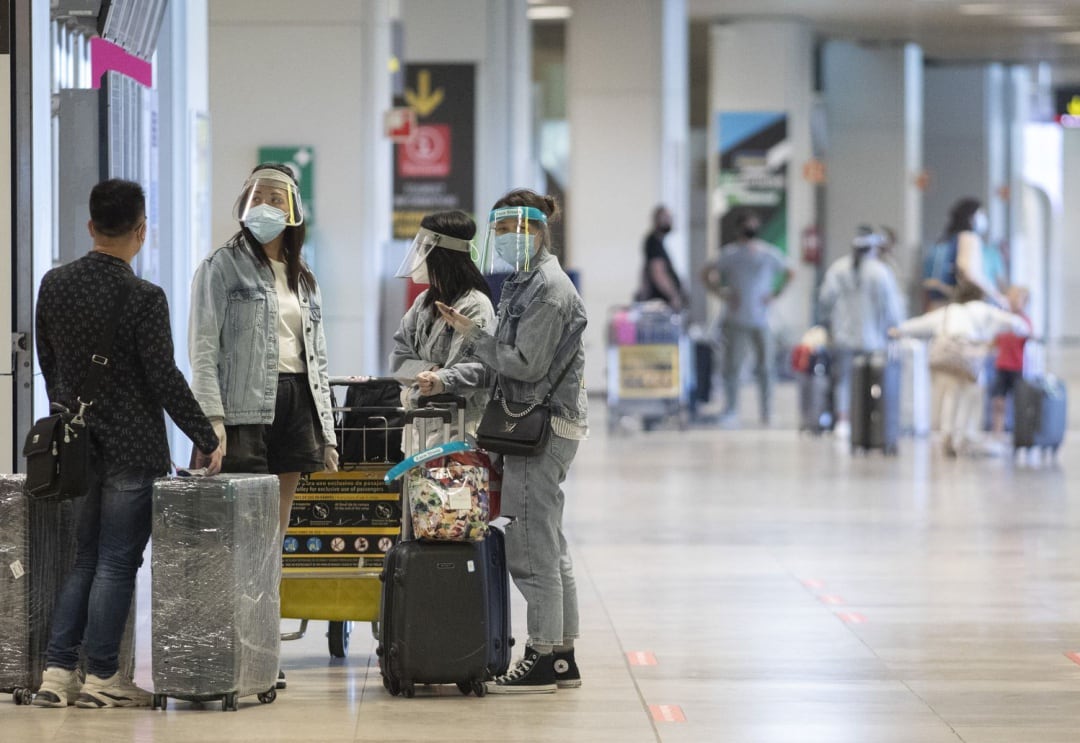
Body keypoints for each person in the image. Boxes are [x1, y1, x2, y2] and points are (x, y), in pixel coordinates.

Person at [33, 179, 222, 709]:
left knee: (84, 558)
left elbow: (50, 365)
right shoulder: (144, 296)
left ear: (91, 226)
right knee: (117, 561)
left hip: (76, 448)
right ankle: (102, 678)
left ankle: (56, 673)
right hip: (133, 449)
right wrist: (205, 437)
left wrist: (68, 414)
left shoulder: (54, 284)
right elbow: (164, 377)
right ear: (141, 231)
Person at [437, 189, 587, 694]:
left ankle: (543, 653)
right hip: (544, 424)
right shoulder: (526, 284)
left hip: (542, 429)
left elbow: (525, 364)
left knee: (529, 543)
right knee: (550, 540)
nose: (502, 241)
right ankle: (561, 653)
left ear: (537, 229)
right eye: (497, 232)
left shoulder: (548, 288)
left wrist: (475, 336)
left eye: (509, 231)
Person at [190, 163, 338, 540]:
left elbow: (318, 358)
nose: (265, 206)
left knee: (277, 522)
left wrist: (328, 433)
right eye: (257, 197)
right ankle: (238, 600)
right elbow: (203, 349)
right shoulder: (220, 266)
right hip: (244, 407)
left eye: (276, 199)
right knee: (239, 525)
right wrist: (211, 419)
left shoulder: (304, 276)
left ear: (293, 210)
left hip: (296, 402)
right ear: (243, 203)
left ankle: (268, 597)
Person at [389, 210, 495, 438]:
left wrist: (440, 379)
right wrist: (430, 370)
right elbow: (397, 360)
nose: (417, 256)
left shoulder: (473, 306)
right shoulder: (423, 303)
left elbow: (472, 371)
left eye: (422, 249)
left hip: (461, 429)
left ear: (442, 256)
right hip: (419, 427)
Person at [892, 282, 1028, 457]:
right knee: (971, 396)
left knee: (951, 394)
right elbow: (1015, 323)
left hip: (947, 357)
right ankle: (964, 436)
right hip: (970, 358)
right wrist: (1024, 330)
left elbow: (921, 323)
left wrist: (899, 329)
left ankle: (947, 435)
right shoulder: (982, 309)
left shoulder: (949, 310)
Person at [702, 208, 794, 426]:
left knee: (766, 367)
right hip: (736, 319)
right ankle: (731, 410)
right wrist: (721, 293)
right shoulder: (731, 254)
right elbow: (706, 273)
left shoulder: (767, 253)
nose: (750, 229)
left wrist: (776, 294)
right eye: (747, 225)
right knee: (732, 367)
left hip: (762, 320)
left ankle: (766, 412)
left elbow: (790, 272)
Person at [818, 228, 906, 438]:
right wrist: (897, 328)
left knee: (845, 381)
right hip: (873, 337)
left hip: (843, 335)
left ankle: (844, 419)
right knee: (874, 381)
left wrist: (827, 325)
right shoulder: (880, 271)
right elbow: (892, 306)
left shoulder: (837, 269)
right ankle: (871, 420)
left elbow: (824, 301)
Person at [923, 198, 1005, 311]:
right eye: (981, 213)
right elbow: (968, 271)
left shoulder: (944, 241)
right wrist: (997, 297)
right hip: (958, 306)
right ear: (971, 217)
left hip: (937, 305)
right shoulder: (969, 238)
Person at [989, 286, 1033, 438]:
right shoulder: (1002, 320)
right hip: (1001, 366)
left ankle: (1020, 432)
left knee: (1019, 402)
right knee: (998, 402)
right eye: (1011, 296)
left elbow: (1029, 335)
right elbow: (993, 342)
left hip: (1016, 367)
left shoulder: (1024, 322)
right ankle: (997, 433)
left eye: (1017, 298)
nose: (1013, 300)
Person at [635, 205, 685, 311]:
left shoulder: (658, 242)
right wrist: (673, 296)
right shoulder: (653, 242)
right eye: (665, 218)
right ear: (657, 220)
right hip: (658, 305)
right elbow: (658, 272)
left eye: (670, 218)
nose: (669, 221)